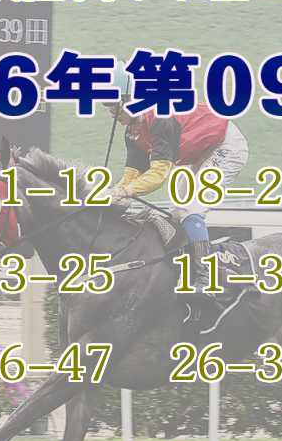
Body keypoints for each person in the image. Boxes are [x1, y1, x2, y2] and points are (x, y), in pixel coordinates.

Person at [106, 98, 249, 305]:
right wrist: (113, 193)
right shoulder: (132, 132)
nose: (112, 114)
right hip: (200, 151)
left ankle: (206, 277)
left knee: (191, 209)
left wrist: (125, 191)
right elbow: (132, 174)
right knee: (177, 212)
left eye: (116, 108)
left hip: (225, 145)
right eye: (109, 109)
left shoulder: (160, 120)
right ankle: (182, 269)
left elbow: (158, 175)